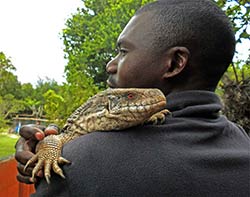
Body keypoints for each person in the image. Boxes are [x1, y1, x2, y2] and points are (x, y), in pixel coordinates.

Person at [15, 0, 250, 196]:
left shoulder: (78, 162)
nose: (110, 65)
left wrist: (46, 170)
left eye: (123, 51)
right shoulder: (242, 142)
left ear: (175, 63)